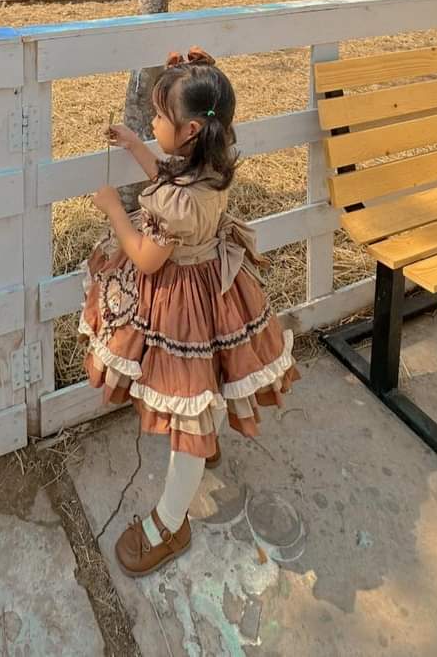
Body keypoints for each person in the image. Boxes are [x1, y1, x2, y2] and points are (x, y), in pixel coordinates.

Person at [80, 46, 299, 576]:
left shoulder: (179, 205)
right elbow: (167, 175)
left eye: (159, 117)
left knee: (187, 403)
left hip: (181, 302)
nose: (153, 123)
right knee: (210, 379)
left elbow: (145, 257)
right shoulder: (211, 170)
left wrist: (114, 211)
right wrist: (137, 145)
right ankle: (204, 447)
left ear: (192, 130)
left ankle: (170, 522)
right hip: (216, 291)